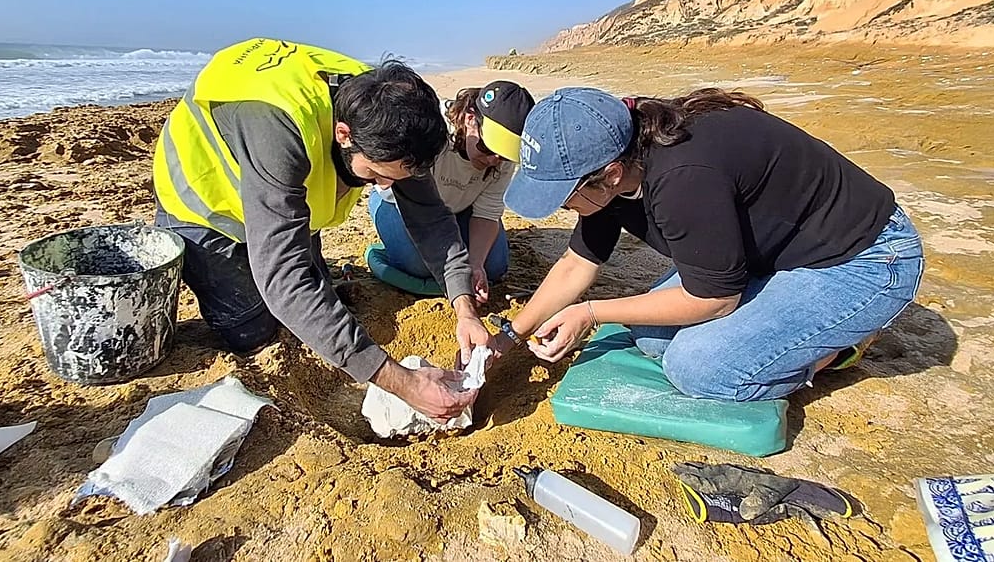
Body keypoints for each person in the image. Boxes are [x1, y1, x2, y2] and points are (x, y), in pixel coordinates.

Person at [501, 87, 924, 402]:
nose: (562, 206)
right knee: (650, 336)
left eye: (563, 193)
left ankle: (836, 349)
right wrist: (507, 336)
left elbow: (715, 300)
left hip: (864, 259)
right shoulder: (623, 150)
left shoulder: (683, 178)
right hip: (776, 253)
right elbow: (577, 264)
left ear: (610, 174)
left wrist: (590, 312)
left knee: (700, 369)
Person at [152, 37, 491, 421]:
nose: (383, 187)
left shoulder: (390, 113)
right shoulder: (280, 130)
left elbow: (430, 216)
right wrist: (405, 384)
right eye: (377, 175)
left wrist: (464, 307)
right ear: (344, 134)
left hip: (285, 195)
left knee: (316, 303)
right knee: (255, 328)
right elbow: (284, 280)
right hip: (206, 201)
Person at [368, 81, 534, 302]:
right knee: (421, 266)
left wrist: (475, 265)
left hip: (459, 208)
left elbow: (486, 213)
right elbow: (404, 194)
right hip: (400, 203)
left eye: (504, 155)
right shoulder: (433, 133)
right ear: (469, 119)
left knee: (492, 268)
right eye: (487, 148)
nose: (494, 160)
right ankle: (378, 254)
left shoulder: (500, 159)